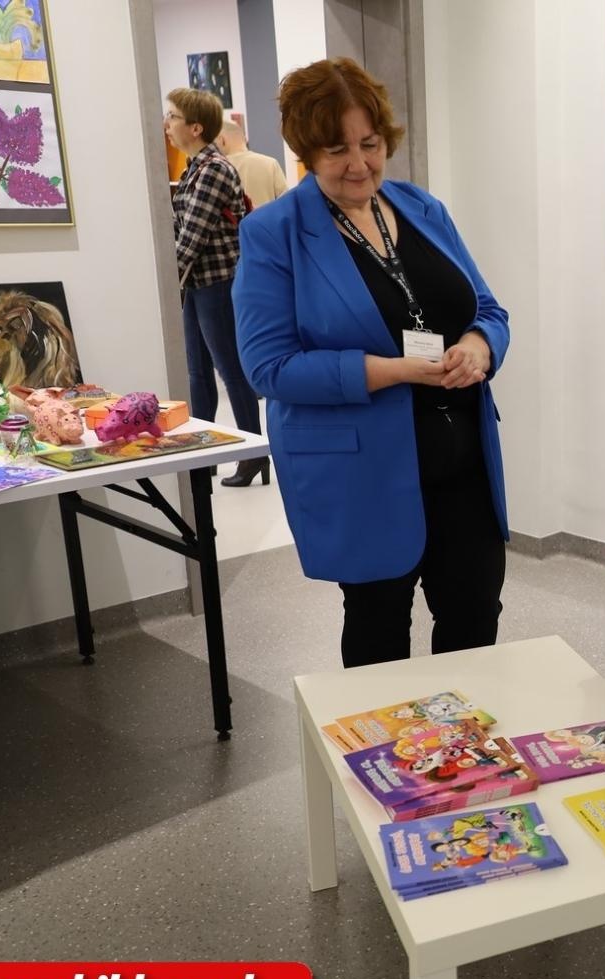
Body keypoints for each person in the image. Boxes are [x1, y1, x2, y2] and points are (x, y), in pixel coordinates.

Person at [233, 58, 509, 669]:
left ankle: (461, 760)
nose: (359, 164)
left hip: (461, 460)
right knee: (379, 630)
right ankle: (381, 765)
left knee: (473, 621)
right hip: (363, 472)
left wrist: (480, 346)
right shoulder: (273, 232)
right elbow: (269, 368)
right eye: (337, 150)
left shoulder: (421, 209)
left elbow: (487, 308)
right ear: (305, 150)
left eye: (371, 143)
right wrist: (395, 370)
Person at [163, 87, 266, 488]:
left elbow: (190, 239)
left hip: (218, 285)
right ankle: (204, 456)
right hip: (198, 285)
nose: (167, 125)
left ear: (196, 126)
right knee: (198, 375)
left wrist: (165, 286)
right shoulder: (194, 168)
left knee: (231, 372)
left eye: (172, 117)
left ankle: (254, 453)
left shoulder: (212, 170)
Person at [217, 120, 288, 209]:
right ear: (245, 138)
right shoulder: (270, 163)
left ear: (222, 140)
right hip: (269, 222)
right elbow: (286, 203)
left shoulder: (217, 169)